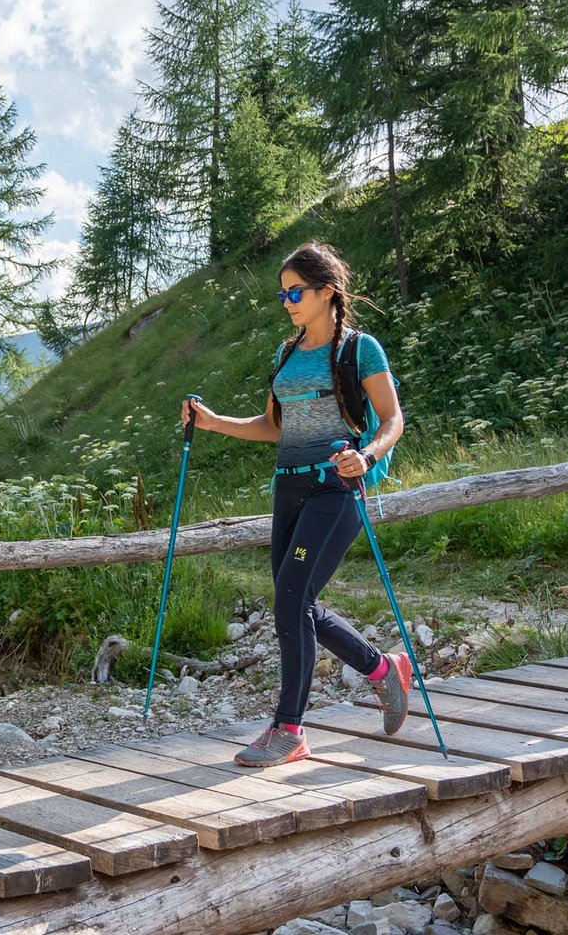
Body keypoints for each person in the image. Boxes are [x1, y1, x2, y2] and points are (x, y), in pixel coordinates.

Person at [184, 241, 413, 768]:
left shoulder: (361, 349)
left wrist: (368, 454)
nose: (286, 301)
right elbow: (274, 426)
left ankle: (290, 729)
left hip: (334, 488)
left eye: (295, 291)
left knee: (291, 597)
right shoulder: (286, 355)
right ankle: (383, 671)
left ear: (327, 292)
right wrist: (214, 421)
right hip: (287, 489)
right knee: (297, 601)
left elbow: (392, 419)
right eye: (283, 293)